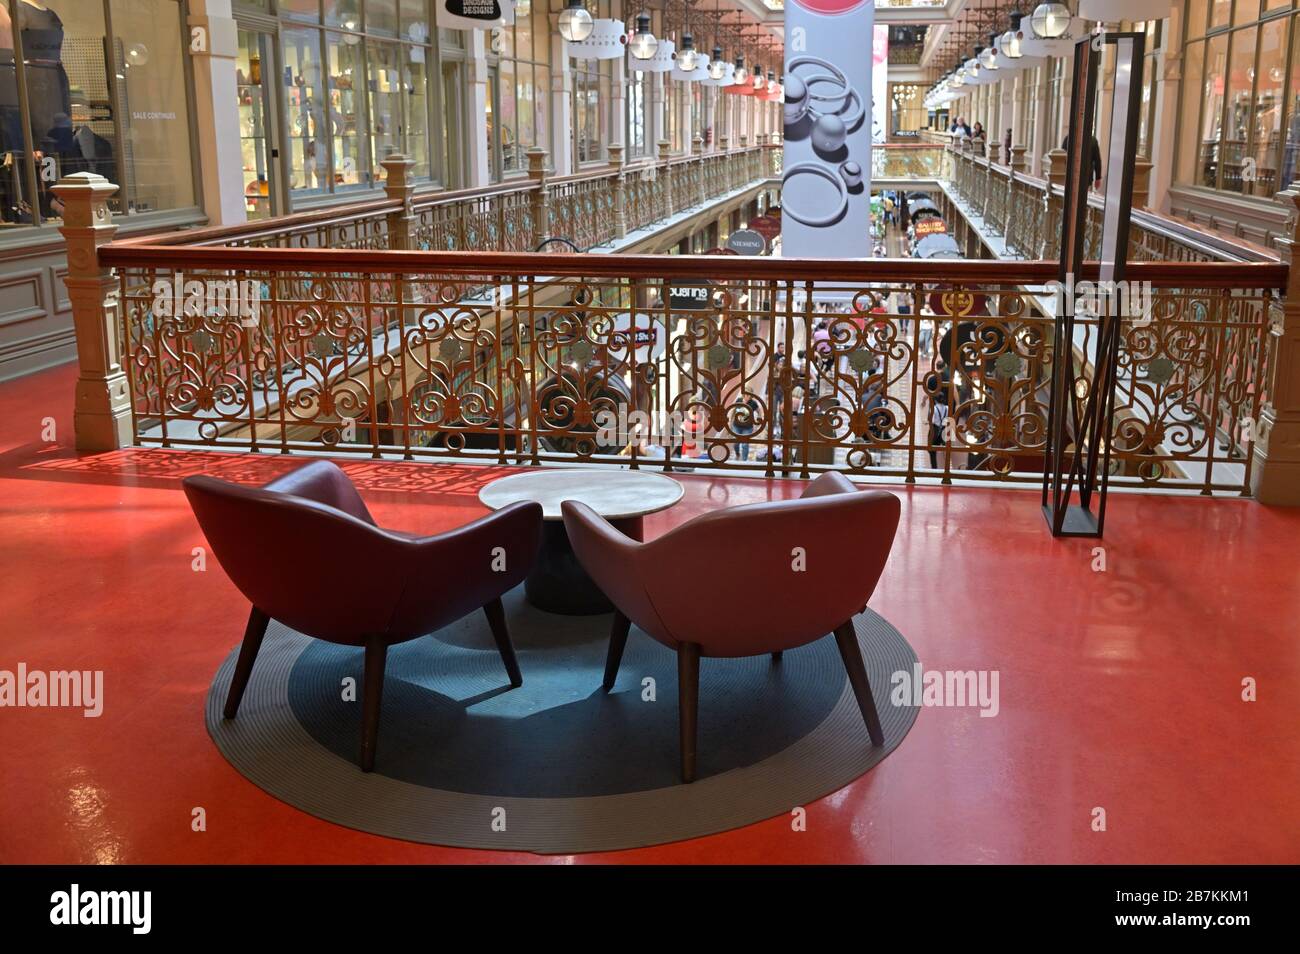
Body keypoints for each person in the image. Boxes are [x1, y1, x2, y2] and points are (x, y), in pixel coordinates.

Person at [928, 389, 950, 470]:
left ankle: (934, 467)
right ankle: (946, 468)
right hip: (944, 430)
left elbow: (932, 421)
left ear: (935, 400)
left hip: (934, 431)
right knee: (945, 449)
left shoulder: (933, 408)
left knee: (931, 450)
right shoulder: (947, 408)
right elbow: (948, 420)